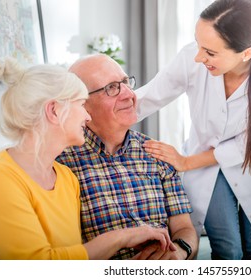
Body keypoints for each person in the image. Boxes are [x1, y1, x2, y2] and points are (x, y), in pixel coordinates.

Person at [136, 0, 251, 260]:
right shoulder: (192, 58)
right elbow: (149, 97)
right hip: (206, 167)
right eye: (198, 45)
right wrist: (99, 111)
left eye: (210, 52)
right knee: (227, 250)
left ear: (246, 53)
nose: (199, 57)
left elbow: (248, 143)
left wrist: (186, 162)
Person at [0, 58, 175, 260]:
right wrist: (123, 237)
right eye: (81, 104)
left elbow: (73, 260)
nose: (87, 116)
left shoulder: (66, 178)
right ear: (54, 111)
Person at [56, 54, 198, 260]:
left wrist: (180, 251)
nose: (129, 94)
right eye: (111, 88)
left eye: (125, 82)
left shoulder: (157, 153)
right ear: (82, 104)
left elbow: (184, 228)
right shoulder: (61, 162)